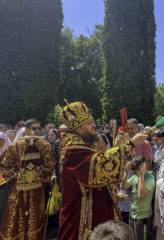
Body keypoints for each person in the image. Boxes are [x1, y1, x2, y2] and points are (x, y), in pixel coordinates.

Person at [58, 101, 148, 240]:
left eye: (92, 121)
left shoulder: (82, 147)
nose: (94, 126)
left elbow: (99, 160)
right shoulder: (73, 151)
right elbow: (99, 168)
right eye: (89, 123)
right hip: (82, 218)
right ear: (77, 129)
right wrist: (131, 143)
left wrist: (119, 148)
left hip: (95, 209)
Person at [0, 119, 56, 240]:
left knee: (35, 216)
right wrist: (17, 175)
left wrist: (37, 175)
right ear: (26, 129)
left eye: (38, 128)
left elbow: (50, 164)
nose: (36, 131)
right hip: (17, 188)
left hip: (37, 188)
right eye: (34, 128)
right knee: (15, 215)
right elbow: (2, 166)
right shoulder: (15, 146)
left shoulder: (44, 145)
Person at [121, 156, 155, 240]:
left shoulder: (149, 178)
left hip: (143, 217)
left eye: (134, 171)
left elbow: (141, 195)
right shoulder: (135, 177)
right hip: (133, 215)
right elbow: (123, 186)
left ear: (142, 168)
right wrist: (126, 172)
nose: (133, 173)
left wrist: (141, 175)